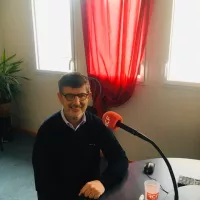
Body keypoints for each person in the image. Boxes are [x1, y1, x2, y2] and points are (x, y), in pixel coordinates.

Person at [32, 72, 128, 200]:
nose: (76, 102)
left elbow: (119, 158)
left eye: (81, 96)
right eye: (70, 96)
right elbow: (42, 181)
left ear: (88, 96)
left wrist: (103, 182)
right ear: (60, 97)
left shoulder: (96, 125)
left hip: (90, 194)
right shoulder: (47, 130)